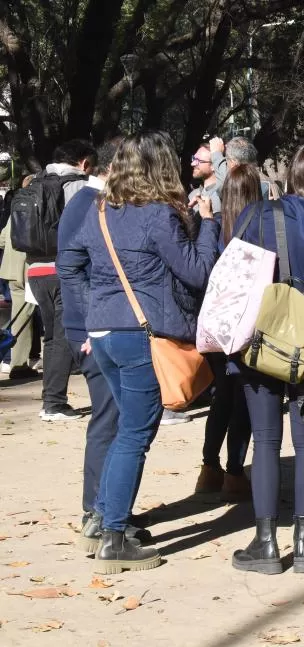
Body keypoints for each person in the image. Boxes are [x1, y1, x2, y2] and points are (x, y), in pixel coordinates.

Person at [58, 131, 220, 572]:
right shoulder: (157, 215)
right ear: (158, 167)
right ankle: (114, 537)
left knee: (122, 430)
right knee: (135, 434)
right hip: (141, 335)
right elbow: (197, 272)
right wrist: (206, 224)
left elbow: (69, 266)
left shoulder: (100, 211)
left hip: (105, 332)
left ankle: (102, 522)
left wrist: (94, 309)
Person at [229, 143, 304, 576]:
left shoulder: (260, 215)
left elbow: (232, 274)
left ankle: (266, 544)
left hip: (264, 342)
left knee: (265, 439)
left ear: (295, 174)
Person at [55, 136, 154, 552]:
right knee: (111, 422)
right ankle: (98, 511)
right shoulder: (87, 203)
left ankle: (111, 512)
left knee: (120, 421)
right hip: (99, 332)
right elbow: (68, 264)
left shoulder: (107, 203)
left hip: (103, 326)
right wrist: (83, 328)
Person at [194, 164, 261, 502]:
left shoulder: (215, 229)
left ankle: (209, 468)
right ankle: (235, 471)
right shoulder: (260, 230)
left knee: (221, 395)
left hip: (217, 327)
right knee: (244, 400)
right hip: (248, 326)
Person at [26, 140, 96, 421]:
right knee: (66, 336)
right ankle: (54, 403)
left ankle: (51, 402)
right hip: (63, 270)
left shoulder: (34, 183)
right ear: (83, 163)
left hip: (34, 270)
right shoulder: (79, 187)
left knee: (52, 337)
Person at [0, 174, 36, 379]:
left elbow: (3, 239)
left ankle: (17, 361)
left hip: (12, 269)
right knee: (30, 317)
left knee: (19, 316)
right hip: (31, 268)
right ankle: (19, 364)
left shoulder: (16, 206)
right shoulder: (38, 206)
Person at [209, 136, 280, 199]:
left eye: (227, 161)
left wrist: (216, 154)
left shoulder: (244, 183)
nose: (226, 165)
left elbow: (224, 186)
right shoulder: (269, 183)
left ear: (233, 163)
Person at [188, 143, 222, 215]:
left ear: (213, 165)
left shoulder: (220, 198)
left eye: (198, 160)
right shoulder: (193, 195)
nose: (192, 164)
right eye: (193, 158)